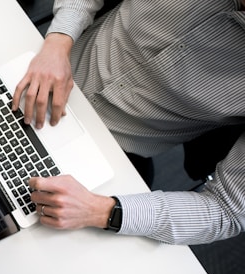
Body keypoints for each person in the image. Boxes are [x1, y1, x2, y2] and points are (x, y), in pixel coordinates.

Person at [12, 0, 245, 245]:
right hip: (41, 64)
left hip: (106, 155)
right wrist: (58, 42)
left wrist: (100, 210)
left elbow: (227, 211)